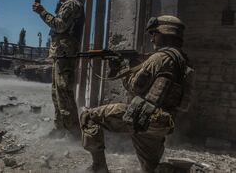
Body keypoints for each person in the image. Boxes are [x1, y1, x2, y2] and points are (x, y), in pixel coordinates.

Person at [80, 15, 190, 173]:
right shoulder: (183, 61)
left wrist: (121, 69)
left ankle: (99, 168)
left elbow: (135, 87)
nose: (151, 38)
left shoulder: (159, 58)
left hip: (145, 119)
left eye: (154, 33)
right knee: (150, 169)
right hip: (164, 122)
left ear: (165, 32)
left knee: (89, 116)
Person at [32, 0, 84, 139]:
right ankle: (60, 129)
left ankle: (73, 133)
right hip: (60, 54)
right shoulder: (66, 5)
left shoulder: (72, 4)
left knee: (64, 93)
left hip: (65, 53)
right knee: (57, 93)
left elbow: (60, 26)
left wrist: (42, 11)